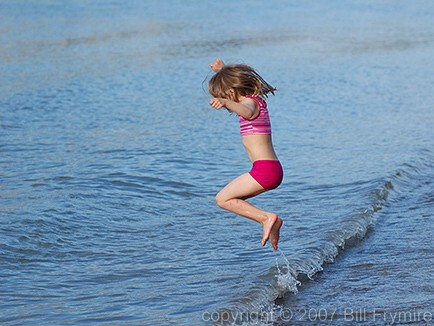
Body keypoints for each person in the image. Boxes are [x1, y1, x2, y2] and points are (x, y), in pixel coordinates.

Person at [208, 58, 284, 250]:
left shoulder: (250, 104)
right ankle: (270, 222)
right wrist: (222, 70)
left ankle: (266, 218)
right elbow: (241, 102)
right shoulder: (256, 100)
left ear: (231, 91)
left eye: (224, 94)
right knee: (227, 199)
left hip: (265, 171)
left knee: (222, 199)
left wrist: (225, 102)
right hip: (268, 169)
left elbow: (246, 111)